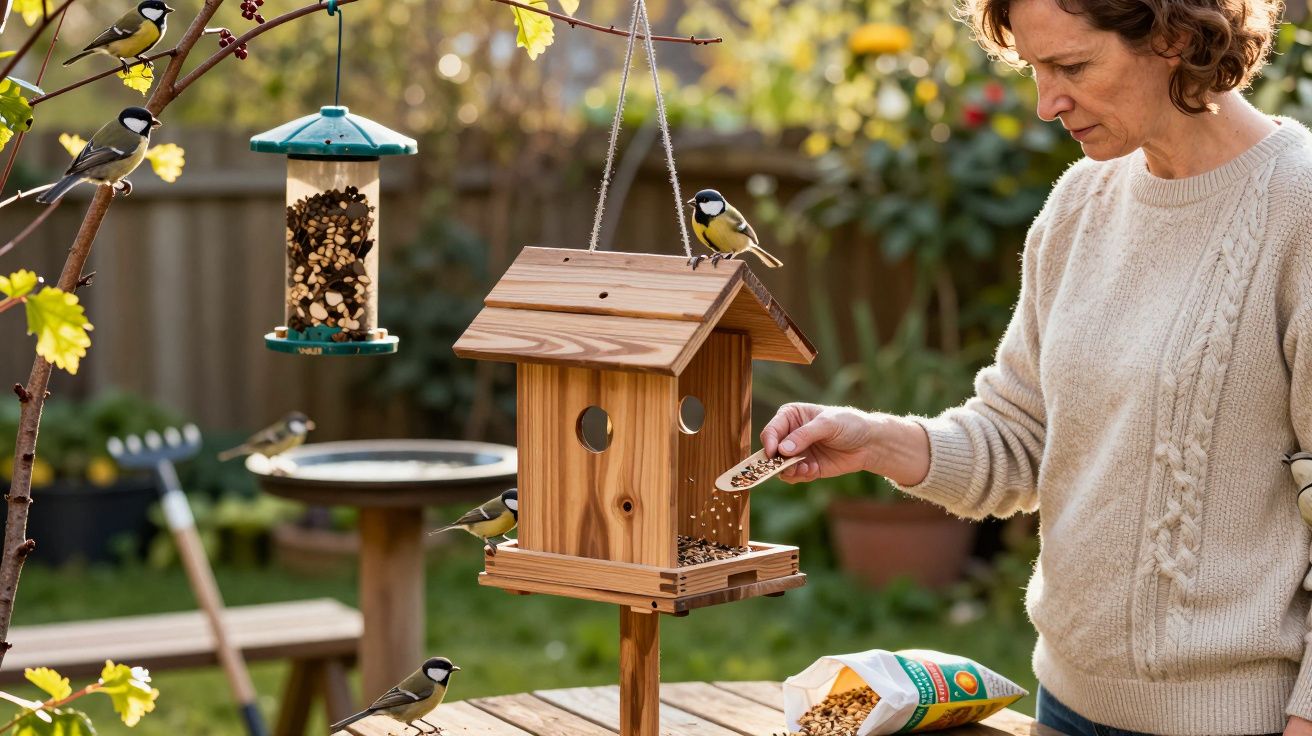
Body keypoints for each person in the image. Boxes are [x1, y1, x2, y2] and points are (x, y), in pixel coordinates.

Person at [761, 1, 1312, 734]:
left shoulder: (1297, 207)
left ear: (1174, 36)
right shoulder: (1080, 205)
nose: (1047, 103)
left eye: (1072, 67)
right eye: (1035, 69)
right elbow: (1020, 438)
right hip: (1067, 706)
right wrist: (874, 441)